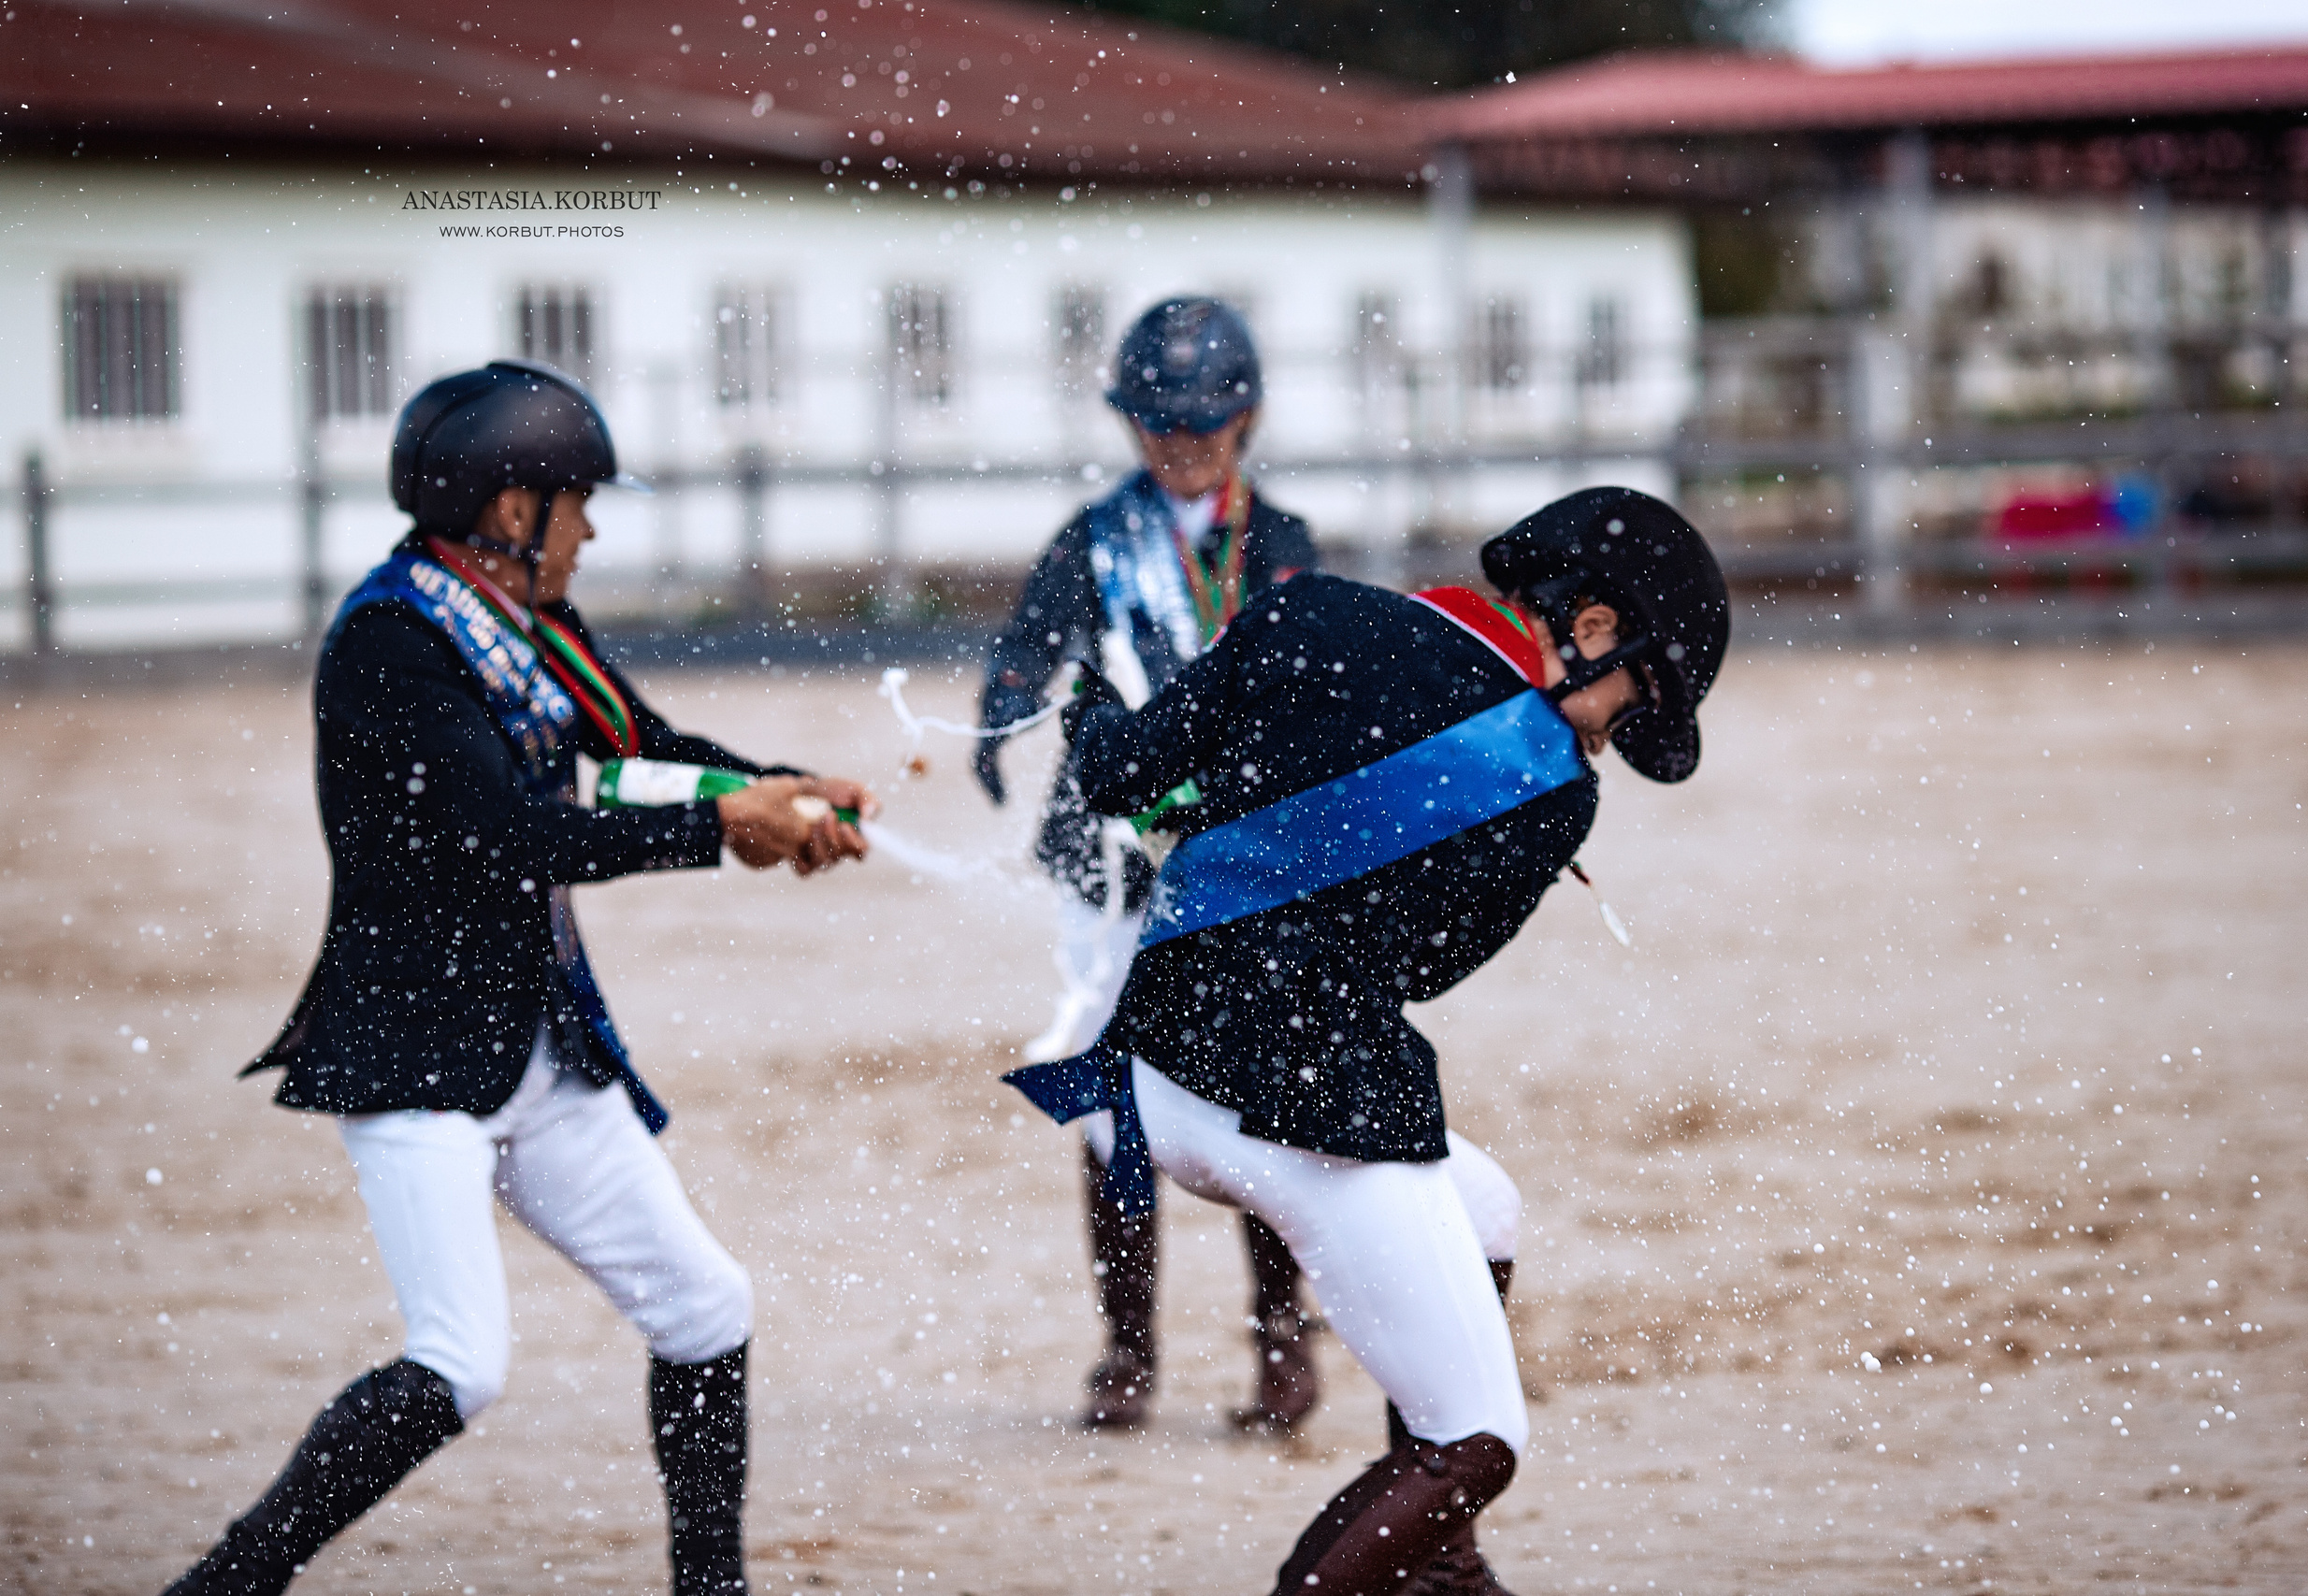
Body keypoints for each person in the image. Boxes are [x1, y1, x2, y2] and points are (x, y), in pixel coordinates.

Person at [164, 359, 876, 1596]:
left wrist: (780, 784)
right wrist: (727, 831)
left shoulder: (533, 623)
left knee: (706, 1303)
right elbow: (515, 835)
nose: (591, 529)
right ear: (510, 512)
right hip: (415, 1051)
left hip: (539, 1042)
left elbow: (640, 755)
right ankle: (226, 1583)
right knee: (462, 1358)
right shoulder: (395, 639)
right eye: (578, 502)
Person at [1009, 486, 1729, 1595]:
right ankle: (1416, 1539)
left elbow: (1116, 780)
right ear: (1589, 629)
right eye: (1642, 698)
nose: (1629, 729)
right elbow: (1424, 971)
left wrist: (1096, 712)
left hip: (1154, 1079)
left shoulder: (1306, 614)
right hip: (1297, 1112)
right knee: (1478, 1441)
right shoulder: (1551, 794)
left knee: (1486, 1206)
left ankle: (1441, 1569)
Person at [975, 297, 1320, 1431]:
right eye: (1159, 423)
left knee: (1263, 1095)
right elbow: (1030, 642)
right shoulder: (1091, 538)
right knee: (1108, 1098)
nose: (1180, 444)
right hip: (1113, 854)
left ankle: (1282, 1343)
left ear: (1248, 420)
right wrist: (1006, 705)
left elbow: (1314, 680)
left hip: (1235, 851)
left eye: (1204, 425)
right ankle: (1127, 1351)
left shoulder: (1281, 546)